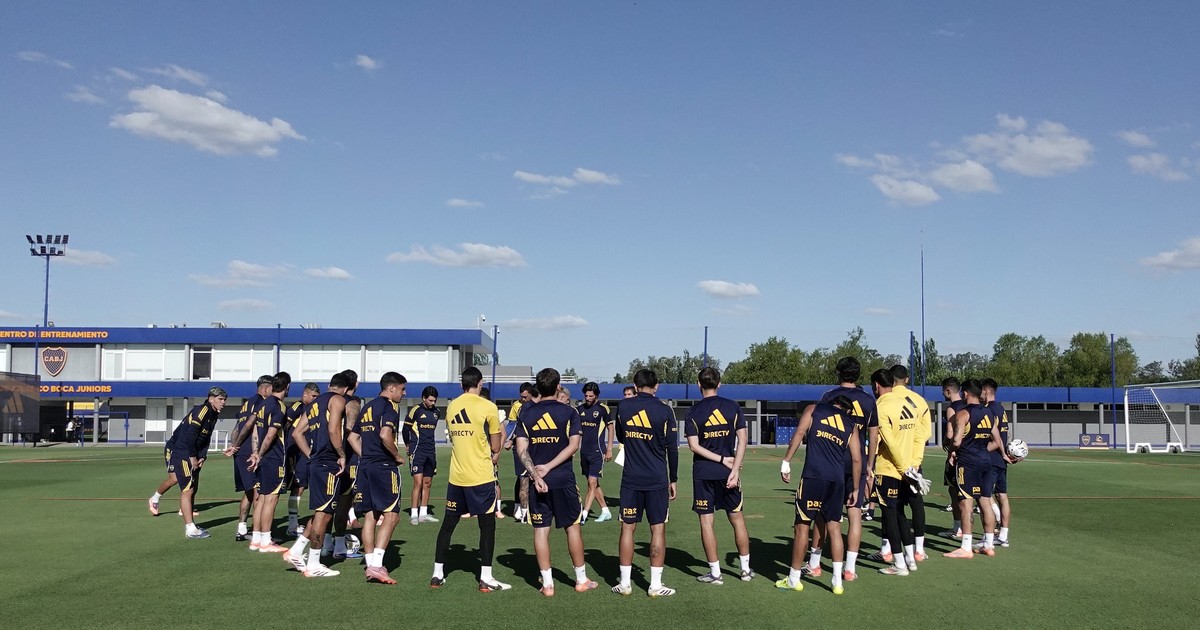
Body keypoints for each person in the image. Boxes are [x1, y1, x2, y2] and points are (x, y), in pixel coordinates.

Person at [514, 367, 598, 596]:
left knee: (541, 531)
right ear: (558, 386)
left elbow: (521, 450)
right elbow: (574, 446)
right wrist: (550, 467)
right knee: (572, 528)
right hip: (563, 480)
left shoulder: (526, 413)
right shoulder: (569, 412)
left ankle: (548, 585)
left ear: (537, 388)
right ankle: (581, 580)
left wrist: (536, 475)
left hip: (537, 482)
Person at [430, 367, 510, 592]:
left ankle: (437, 575)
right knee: (487, 526)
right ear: (480, 383)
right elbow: (496, 446)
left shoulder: (452, 406)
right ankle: (486, 578)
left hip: (457, 476)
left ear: (462, 384)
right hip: (481, 475)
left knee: (448, 525)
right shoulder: (488, 406)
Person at [778, 395, 862, 594]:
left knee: (802, 527)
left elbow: (799, 433)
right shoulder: (850, 424)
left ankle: (794, 579)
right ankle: (837, 582)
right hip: (837, 481)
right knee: (835, 529)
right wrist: (856, 488)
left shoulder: (814, 409)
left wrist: (786, 461)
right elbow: (857, 459)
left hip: (813, 477)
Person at [612, 369, 679, 597]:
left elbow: (621, 436)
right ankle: (655, 585)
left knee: (627, 528)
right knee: (657, 528)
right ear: (656, 386)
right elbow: (672, 448)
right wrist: (673, 478)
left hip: (631, 478)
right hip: (657, 479)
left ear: (635, 385)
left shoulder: (623, 406)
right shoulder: (665, 410)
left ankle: (625, 584)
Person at [812, 357, 877, 582]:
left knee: (822, 513)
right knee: (855, 514)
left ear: (838, 373)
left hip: (832, 461)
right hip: (858, 461)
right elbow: (874, 434)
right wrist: (870, 464)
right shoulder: (868, 400)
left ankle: (815, 564)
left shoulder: (829, 396)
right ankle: (849, 569)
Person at [283, 371, 354, 577]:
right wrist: (341, 454)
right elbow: (333, 430)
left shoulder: (315, 403)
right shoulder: (338, 400)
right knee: (324, 514)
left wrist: (310, 455)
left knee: (320, 512)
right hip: (329, 462)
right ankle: (314, 564)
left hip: (317, 463)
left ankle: (296, 551)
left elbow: (297, 433)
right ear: (346, 389)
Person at [685, 367, 752, 585]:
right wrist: (734, 468)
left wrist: (722, 461)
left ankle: (715, 574)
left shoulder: (693, 412)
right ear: (719, 384)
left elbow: (694, 446)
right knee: (737, 519)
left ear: (698, 384)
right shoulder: (733, 406)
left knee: (707, 522)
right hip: (728, 473)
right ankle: (745, 571)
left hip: (704, 472)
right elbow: (743, 440)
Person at [347, 371, 408, 584]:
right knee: (392, 515)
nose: (403, 393)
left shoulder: (367, 407)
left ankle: (370, 563)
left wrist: (366, 455)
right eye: (402, 389)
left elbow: (352, 437)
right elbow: (385, 434)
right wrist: (397, 456)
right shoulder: (389, 406)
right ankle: (376, 565)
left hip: (365, 466)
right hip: (383, 467)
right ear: (392, 388)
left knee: (371, 515)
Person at [870, 368, 929, 576]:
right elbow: (920, 436)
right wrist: (914, 465)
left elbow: (889, 442)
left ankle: (899, 564)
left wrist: (904, 469)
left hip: (889, 469)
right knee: (900, 513)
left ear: (876, 385)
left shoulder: (880, 406)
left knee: (889, 516)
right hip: (909, 468)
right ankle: (910, 559)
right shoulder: (909, 403)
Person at [944, 378, 1009, 559]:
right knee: (985, 502)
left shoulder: (963, 414)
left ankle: (966, 547)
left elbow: (956, 440)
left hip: (967, 463)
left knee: (965, 503)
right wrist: (982, 450)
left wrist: (952, 452)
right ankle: (988, 544)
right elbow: (997, 441)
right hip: (986, 462)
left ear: (965, 393)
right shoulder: (989, 413)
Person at [170, 387, 228, 538]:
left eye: (224, 399)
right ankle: (190, 529)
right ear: (211, 399)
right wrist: (193, 457)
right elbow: (191, 435)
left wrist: (202, 456)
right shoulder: (202, 410)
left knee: (192, 488)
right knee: (187, 489)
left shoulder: (214, 414)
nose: (223, 402)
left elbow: (205, 438)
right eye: (220, 399)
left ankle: (192, 525)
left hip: (192, 454)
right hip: (183, 453)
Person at [246, 372, 292, 553]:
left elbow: (255, 432)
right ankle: (266, 540)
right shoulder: (279, 407)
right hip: (273, 458)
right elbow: (271, 435)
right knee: (271, 499)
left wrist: (255, 453)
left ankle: (256, 539)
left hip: (263, 458)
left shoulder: (263, 404)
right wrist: (260, 454)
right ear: (287, 387)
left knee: (262, 498)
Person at [225, 375, 273, 542]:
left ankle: (242, 529)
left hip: (240, 453)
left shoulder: (246, 403)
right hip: (250, 453)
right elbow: (249, 426)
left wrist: (234, 447)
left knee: (249, 491)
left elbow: (235, 429)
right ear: (265, 389)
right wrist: (249, 450)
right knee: (258, 492)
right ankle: (258, 532)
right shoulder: (262, 403)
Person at [982, 378, 1016, 548]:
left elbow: (994, 437)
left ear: (986, 391)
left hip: (991, 459)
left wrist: (1001, 452)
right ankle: (1003, 535)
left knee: (984, 496)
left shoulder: (988, 410)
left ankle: (988, 535)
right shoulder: (1001, 409)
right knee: (1002, 496)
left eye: (981, 391)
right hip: (1001, 461)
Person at [286, 383, 320, 536]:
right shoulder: (297, 407)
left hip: (307, 452)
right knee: (298, 486)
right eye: (313, 396)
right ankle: (292, 524)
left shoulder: (313, 409)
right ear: (305, 394)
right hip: (297, 453)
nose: (315, 399)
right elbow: (285, 425)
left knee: (303, 485)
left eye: (317, 397)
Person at [577, 382, 614, 524]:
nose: (587, 398)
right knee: (593, 483)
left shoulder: (603, 409)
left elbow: (611, 428)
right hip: (584, 452)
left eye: (590, 396)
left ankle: (584, 514)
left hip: (597, 452)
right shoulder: (579, 409)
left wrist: (609, 449)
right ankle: (605, 511)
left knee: (592, 483)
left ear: (596, 395)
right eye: (586, 395)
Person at [405, 386, 441, 525]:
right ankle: (414, 514)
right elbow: (405, 429)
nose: (433, 403)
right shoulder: (416, 410)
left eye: (434, 400)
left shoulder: (437, 412)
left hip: (430, 451)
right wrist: (408, 445)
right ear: (423, 398)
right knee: (418, 482)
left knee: (427, 482)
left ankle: (423, 514)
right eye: (430, 400)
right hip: (417, 450)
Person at [940, 377, 968, 539]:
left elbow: (951, 433)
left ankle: (958, 527)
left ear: (948, 390)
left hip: (956, 455)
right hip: (970, 454)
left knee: (954, 491)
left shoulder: (952, 409)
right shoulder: (968, 406)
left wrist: (946, 441)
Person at [503, 382, 535, 522]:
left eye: (525, 396)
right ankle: (521, 509)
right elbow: (512, 425)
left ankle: (532, 507)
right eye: (521, 396)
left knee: (534, 476)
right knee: (522, 477)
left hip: (535, 445)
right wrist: (508, 440)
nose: (523, 399)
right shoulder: (516, 406)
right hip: (520, 446)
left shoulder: (536, 405)